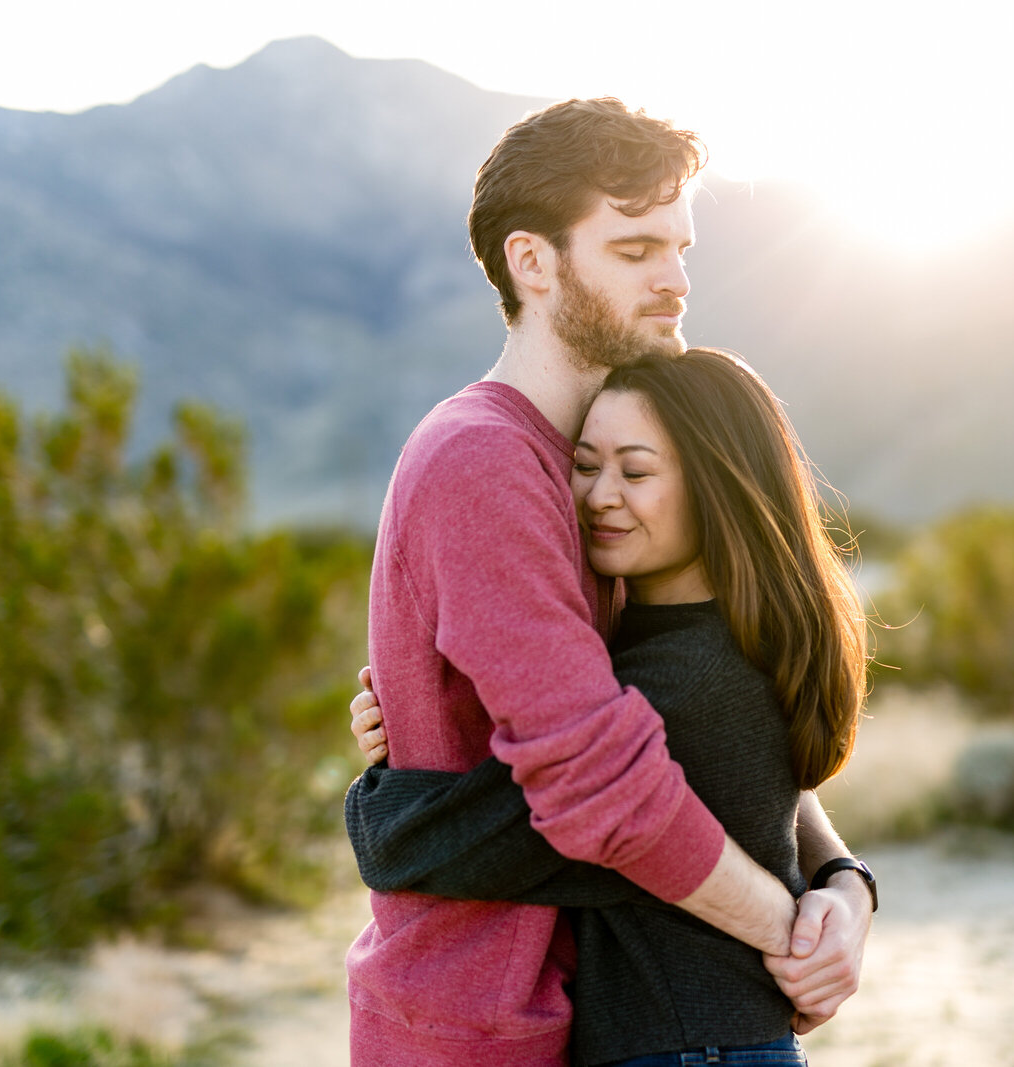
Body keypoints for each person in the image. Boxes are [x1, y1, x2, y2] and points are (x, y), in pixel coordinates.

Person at [344, 97, 873, 1067]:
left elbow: (694, 725)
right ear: (532, 262)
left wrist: (838, 876)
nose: (674, 281)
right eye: (634, 250)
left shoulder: (589, 481)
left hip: (591, 1001)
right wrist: (787, 921)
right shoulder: (485, 463)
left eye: (680, 247)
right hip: (481, 1015)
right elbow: (604, 780)